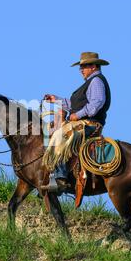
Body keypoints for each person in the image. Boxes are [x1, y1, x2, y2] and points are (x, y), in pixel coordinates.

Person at [43, 52, 111, 193]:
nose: (81, 70)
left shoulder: (96, 81)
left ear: (94, 66)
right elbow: (72, 105)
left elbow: (96, 103)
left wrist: (77, 115)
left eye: (84, 66)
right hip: (83, 123)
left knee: (59, 135)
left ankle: (61, 178)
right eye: (81, 67)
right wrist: (55, 99)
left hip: (90, 124)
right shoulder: (89, 82)